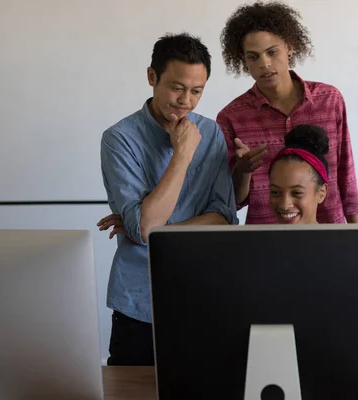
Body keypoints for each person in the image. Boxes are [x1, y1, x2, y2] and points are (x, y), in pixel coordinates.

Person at [97, 33, 238, 366]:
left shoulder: (212, 131)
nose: (185, 101)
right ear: (152, 77)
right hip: (140, 302)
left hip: (204, 296)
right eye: (176, 87)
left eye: (196, 91)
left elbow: (223, 217)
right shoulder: (119, 139)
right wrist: (184, 153)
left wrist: (156, 226)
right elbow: (147, 228)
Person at [216, 1, 358, 224]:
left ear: (290, 48)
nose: (265, 63)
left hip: (329, 236)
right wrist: (243, 171)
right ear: (243, 61)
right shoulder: (231, 118)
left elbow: (346, 174)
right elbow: (232, 201)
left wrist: (356, 234)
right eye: (253, 57)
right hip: (265, 242)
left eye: (272, 52)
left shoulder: (329, 100)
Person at [268, 124, 329, 224]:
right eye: (275, 192)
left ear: (321, 193)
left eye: (297, 193)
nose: (284, 205)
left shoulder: (335, 240)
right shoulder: (258, 240)